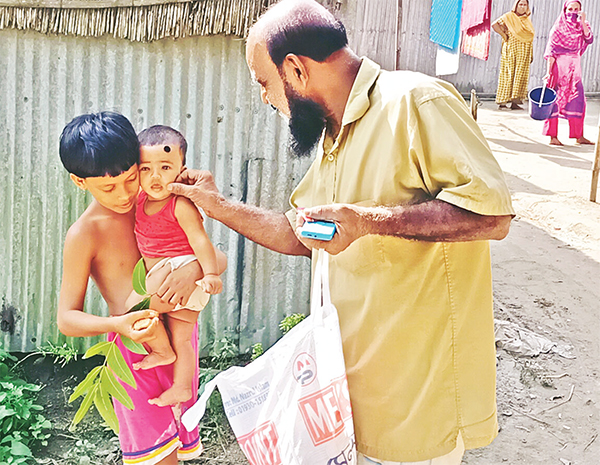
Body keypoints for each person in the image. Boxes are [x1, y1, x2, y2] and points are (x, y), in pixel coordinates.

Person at [169, 1, 515, 463]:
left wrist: (368, 221)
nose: (265, 99)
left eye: (263, 83)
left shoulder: (415, 101)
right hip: (349, 384)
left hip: (413, 394)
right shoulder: (334, 134)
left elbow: (492, 216)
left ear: (294, 69)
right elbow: (300, 235)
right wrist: (218, 206)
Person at [57, 112, 225, 465]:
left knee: (177, 447)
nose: (123, 195)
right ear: (79, 181)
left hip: (180, 340)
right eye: (108, 187)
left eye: (131, 179)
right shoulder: (85, 234)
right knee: (154, 456)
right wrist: (116, 325)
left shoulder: (153, 206)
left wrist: (195, 267)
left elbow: (217, 259)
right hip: (136, 353)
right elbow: (67, 320)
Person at [125, 125, 223, 407]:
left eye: (165, 167)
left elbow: (200, 240)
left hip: (176, 269)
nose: (155, 177)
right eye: (146, 169)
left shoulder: (181, 204)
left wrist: (211, 273)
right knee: (183, 339)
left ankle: (162, 350)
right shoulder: (139, 199)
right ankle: (182, 387)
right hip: (172, 278)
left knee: (133, 310)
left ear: (182, 170)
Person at [543, 0, 594, 146]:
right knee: (554, 101)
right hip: (559, 69)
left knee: (578, 101)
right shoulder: (557, 29)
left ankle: (579, 136)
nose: (572, 12)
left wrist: (583, 22)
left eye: (576, 9)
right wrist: (548, 73)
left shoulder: (582, 26)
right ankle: (553, 136)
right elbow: (551, 53)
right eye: (570, 9)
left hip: (575, 70)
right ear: (564, 10)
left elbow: (589, 39)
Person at [492, 0, 535, 110]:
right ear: (515, 6)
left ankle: (515, 102)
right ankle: (502, 102)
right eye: (520, 4)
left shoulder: (526, 20)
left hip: (524, 52)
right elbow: (495, 24)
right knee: (509, 73)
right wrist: (504, 35)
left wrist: (531, 53)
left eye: (525, 5)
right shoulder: (509, 17)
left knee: (520, 76)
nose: (522, 7)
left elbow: (529, 38)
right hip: (512, 50)